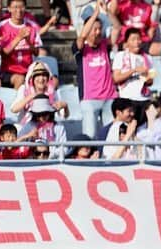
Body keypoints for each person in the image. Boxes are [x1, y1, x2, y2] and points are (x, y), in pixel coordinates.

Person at [74, 0, 120, 139]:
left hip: (109, 97)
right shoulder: (81, 49)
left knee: (112, 135)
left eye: (100, 28)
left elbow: (117, 28)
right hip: (89, 98)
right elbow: (82, 37)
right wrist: (95, 14)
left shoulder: (105, 45)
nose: (98, 32)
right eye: (94, 29)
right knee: (89, 135)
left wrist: (107, 11)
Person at [0, 0, 42, 89]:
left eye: (21, 7)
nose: (19, 10)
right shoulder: (1, 26)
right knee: (20, 79)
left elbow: (36, 52)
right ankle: (18, 103)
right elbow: (5, 52)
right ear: (9, 9)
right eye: (15, 7)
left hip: (28, 70)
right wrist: (19, 37)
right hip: (8, 71)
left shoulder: (32, 26)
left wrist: (28, 41)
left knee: (52, 80)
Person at [18, 94, 68, 159]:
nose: (42, 117)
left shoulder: (58, 126)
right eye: (38, 115)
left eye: (44, 114)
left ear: (50, 113)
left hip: (54, 163)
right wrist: (28, 136)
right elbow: (17, 145)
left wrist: (48, 154)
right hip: (32, 163)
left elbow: (65, 149)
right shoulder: (29, 126)